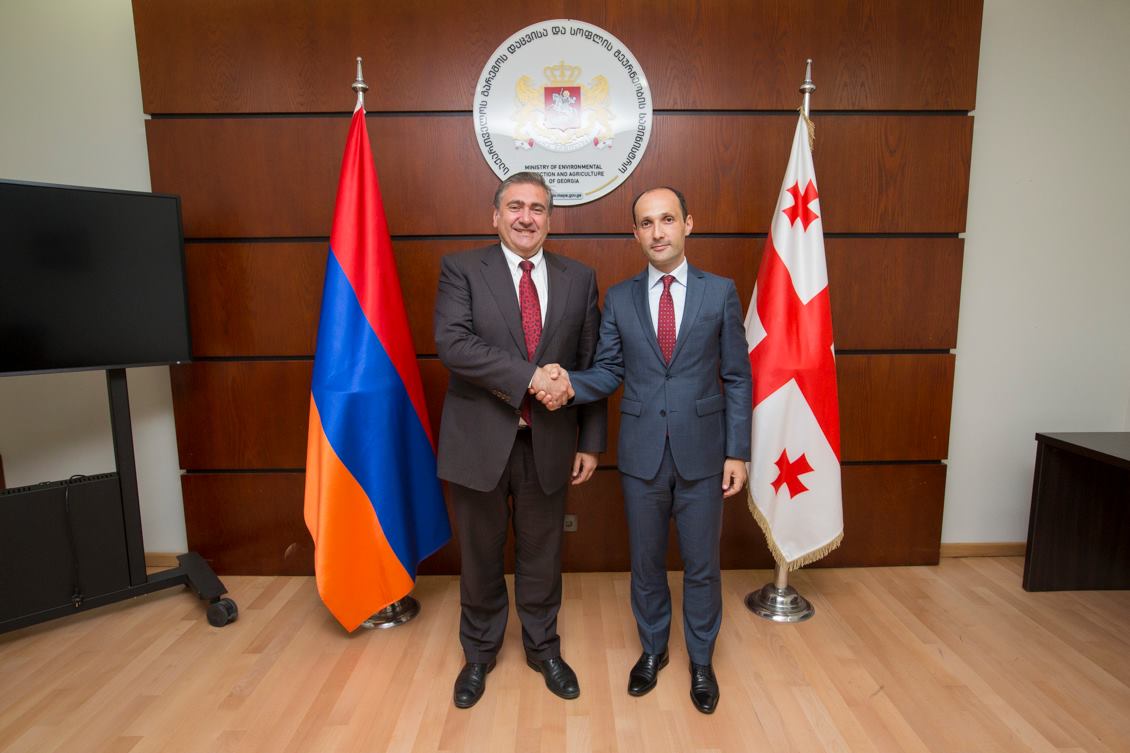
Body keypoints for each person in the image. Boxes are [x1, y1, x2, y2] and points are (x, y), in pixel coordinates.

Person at [534, 187, 751, 714]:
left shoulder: (720, 292)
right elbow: (609, 370)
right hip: (642, 455)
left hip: (704, 454)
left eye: (667, 220)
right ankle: (653, 649)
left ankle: (702, 661)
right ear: (635, 233)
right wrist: (569, 383)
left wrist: (737, 452)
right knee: (647, 563)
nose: (658, 232)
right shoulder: (620, 298)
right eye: (647, 223)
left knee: (702, 565)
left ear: (688, 224)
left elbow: (737, 376)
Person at [434, 171, 606, 709]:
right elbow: (453, 344)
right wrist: (531, 377)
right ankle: (479, 653)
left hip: (549, 444)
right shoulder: (462, 269)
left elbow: (590, 366)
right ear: (496, 216)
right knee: (480, 555)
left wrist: (591, 441)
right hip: (478, 443)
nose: (526, 217)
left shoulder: (580, 278)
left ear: (550, 220)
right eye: (515, 207)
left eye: (537, 208)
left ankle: (543, 647)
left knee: (543, 555)